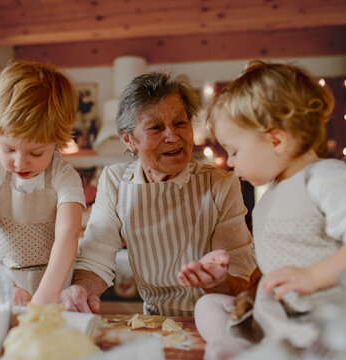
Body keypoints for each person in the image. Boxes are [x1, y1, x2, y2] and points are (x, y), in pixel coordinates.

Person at [192, 60, 346, 359]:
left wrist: (313, 276)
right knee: (208, 306)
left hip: (323, 317)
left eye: (235, 151)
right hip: (282, 312)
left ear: (276, 140)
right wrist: (242, 285)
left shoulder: (326, 178)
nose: (229, 162)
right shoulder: (273, 193)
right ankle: (243, 347)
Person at [60, 71, 257, 316]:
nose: (173, 137)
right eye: (155, 127)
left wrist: (219, 281)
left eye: (180, 123)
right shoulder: (116, 181)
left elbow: (242, 280)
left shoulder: (219, 184)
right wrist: (81, 289)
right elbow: (95, 256)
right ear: (129, 139)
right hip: (155, 320)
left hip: (220, 316)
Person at [0, 60, 86, 306]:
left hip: (53, 280)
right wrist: (4, 285)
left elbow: (68, 234)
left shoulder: (65, 177)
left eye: (36, 153)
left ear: (56, 142)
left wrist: (47, 294)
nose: (20, 163)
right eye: (9, 149)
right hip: (0, 278)